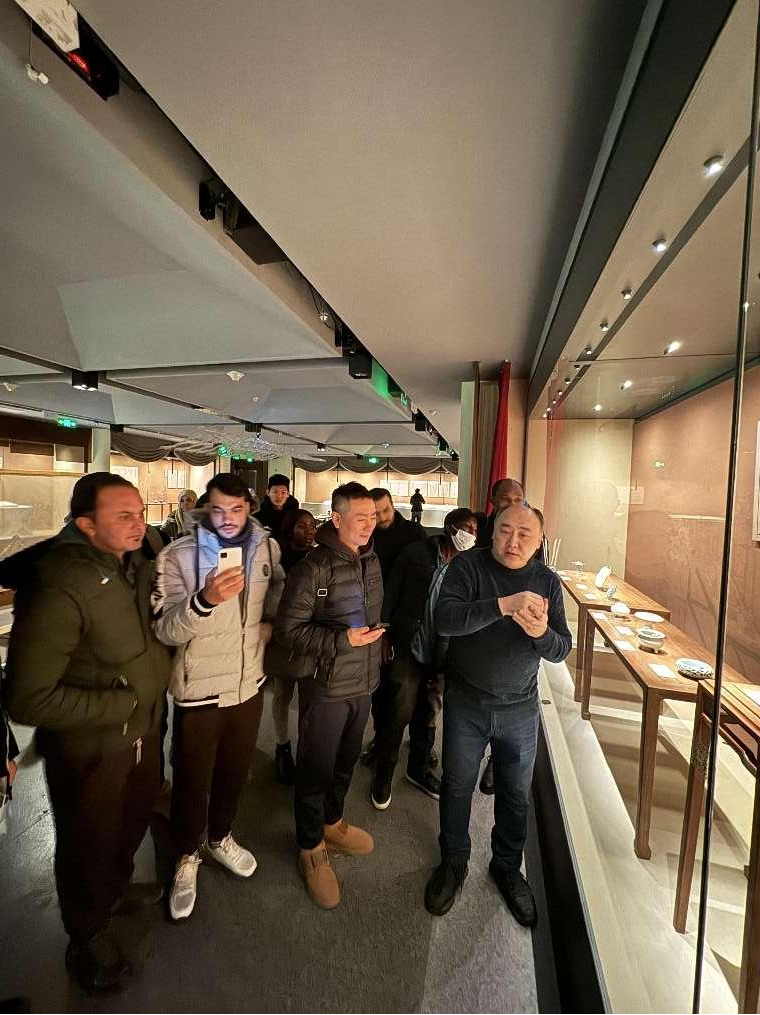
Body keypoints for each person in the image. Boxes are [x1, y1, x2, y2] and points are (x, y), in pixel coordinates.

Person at [4, 473, 171, 993]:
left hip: (140, 734)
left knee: (131, 822)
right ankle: (87, 937)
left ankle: (113, 895)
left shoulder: (133, 562)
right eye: (123, 515)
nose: (139, 524)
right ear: (85, 524)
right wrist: (119, 704)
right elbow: (27, 699)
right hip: (91, 749)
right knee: (87, 843)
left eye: (140, 512)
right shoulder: (58, 584)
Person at [424, 502, 571, 927]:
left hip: (520, 708)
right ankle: (453, 861)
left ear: (539, 541)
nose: (514, 541)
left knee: (514, 793)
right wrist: (503, 605)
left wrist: (541, 633)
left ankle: (507, 866)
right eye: (506, 530)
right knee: (456, 786)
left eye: (525, 534)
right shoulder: (468, 567)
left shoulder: (546, 581)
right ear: (493, 530)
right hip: (466, 702)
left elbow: (561, 648)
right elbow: (445, 620)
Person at [152, 472, 284, 922]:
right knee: (192, 779)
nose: (228, 519)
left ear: (249, 508)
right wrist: (204, 599)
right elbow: (164, 629)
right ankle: (186, 853)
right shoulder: (177, 556)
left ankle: (220, 836)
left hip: (248, 685)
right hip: (200, 690)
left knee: (234, 772)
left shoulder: (266, 548)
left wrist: (270, 625)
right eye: (218, 510)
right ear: (205, 510)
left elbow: (279, 588)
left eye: (237, 509)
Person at [274, 482, 384, 909]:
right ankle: (310, 847)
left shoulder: (370, 559)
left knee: (345, 762)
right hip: (326, 687)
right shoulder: (313, 567)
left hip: (363, 683)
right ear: (336, 519)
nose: (369, 525)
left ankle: (333, 821)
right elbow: (288, 631)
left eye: (373, 517)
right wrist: (342, 641)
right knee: (315, 769)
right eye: (360, 517)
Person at [371, 508, 478, 810]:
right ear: (449, 527)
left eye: (475, 531)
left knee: (428, 715)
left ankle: (417, 770)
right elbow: (392, 591)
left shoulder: (469, 567)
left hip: (441, 655)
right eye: (466, 528)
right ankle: (383, 776)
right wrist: (385, 632)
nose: (470, 535)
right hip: (409, 647)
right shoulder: (416, 553)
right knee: (398, 712)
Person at [271, 509, 317, 784]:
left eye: (312, 525)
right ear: (290, 529)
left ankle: (308, 749)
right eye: (303, 526)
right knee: (283, 694)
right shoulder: (278, 561)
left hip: (312, 637)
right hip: (285, 638)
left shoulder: (318, 558)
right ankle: (282, 745)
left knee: (311, 700)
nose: (310, 531)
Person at [476, 478, 524, 549]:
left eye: (518, 500)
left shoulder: (531, 533)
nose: (512, 505)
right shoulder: (478, 530)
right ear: (493, 501)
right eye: (505, 499)